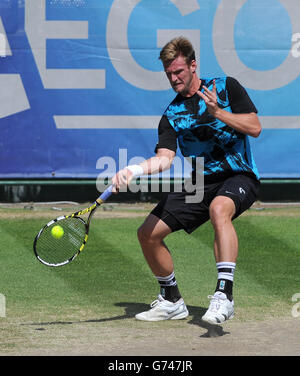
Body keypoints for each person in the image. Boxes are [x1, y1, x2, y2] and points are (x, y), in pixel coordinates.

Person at [112, 37, 261, 325]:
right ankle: (171, 300)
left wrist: (218, 113)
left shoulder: (226, 87)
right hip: (200, 182)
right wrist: (135, 170)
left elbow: (254, 127)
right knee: (147, 233)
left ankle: (224, 296)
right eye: (169, 74)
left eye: (179, 71)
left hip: (239, 174)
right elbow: (165, 159)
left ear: (193, 65)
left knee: (219, 209)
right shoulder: (171, 114)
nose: (174, 78)